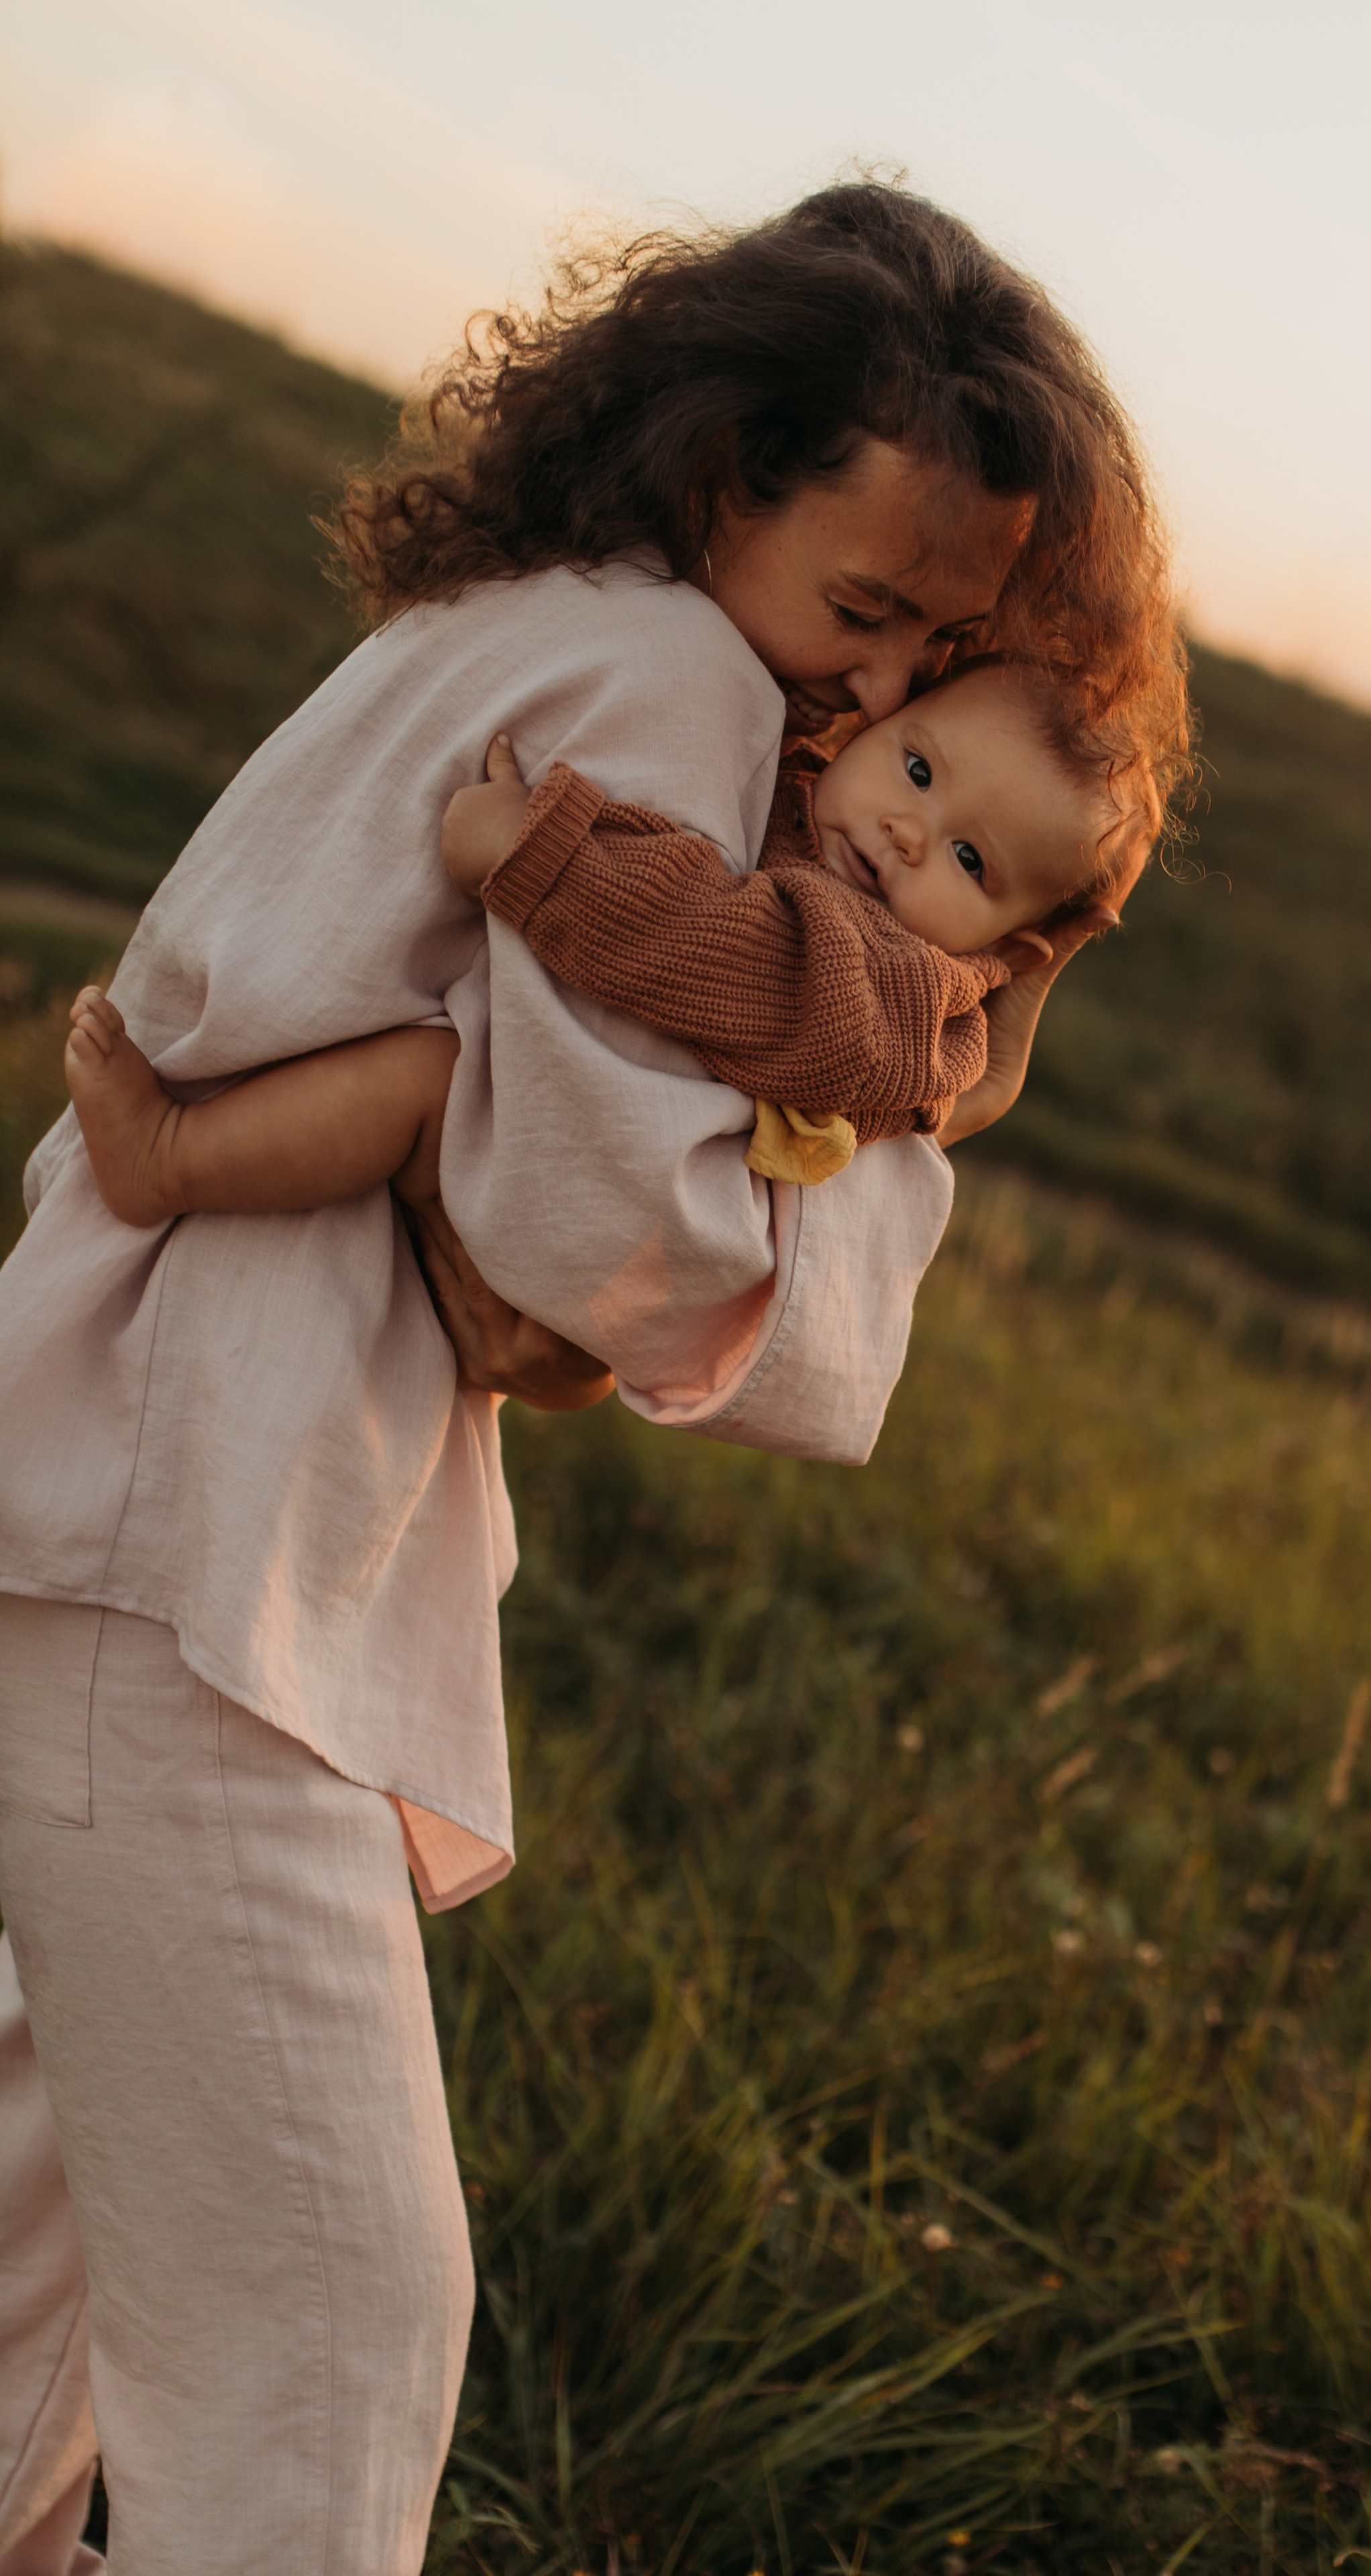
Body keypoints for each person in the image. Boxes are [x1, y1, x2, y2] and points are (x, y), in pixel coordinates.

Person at [0, 182, 1188, 2575]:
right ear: (718, 470)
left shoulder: (519, 611)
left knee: (47, 2285)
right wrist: (797, 1219)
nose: (869, 698)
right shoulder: (667, 696)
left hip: (136, 1458)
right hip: (206, 1519)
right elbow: (599, 1229)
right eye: (868, 616)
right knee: (342, 2333)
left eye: (934, 643)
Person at [59, 656, 1144, 1228]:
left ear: (1020, 948)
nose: (913, 831)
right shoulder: (817, 808)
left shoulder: (906, 996)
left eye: (971, 863)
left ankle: (168, 1162)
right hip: (612, 1165)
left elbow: (737, 954)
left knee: (430, 1083)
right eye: (918, 768)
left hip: (646, 1201)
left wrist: (545, 855)